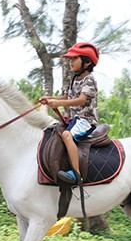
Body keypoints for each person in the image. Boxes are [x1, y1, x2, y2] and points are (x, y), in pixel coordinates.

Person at [40, 42, 100, 184]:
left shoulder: (89, 79)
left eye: (74, 59)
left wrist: (58, 103)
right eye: (70, 59)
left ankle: (76, 173)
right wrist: (49, 99)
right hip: (74, 120)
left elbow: (81, 100)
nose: (70, 62)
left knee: (67, 135)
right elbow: (67, 98)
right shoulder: (73, 79)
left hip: (86, 121)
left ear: (86, 62)